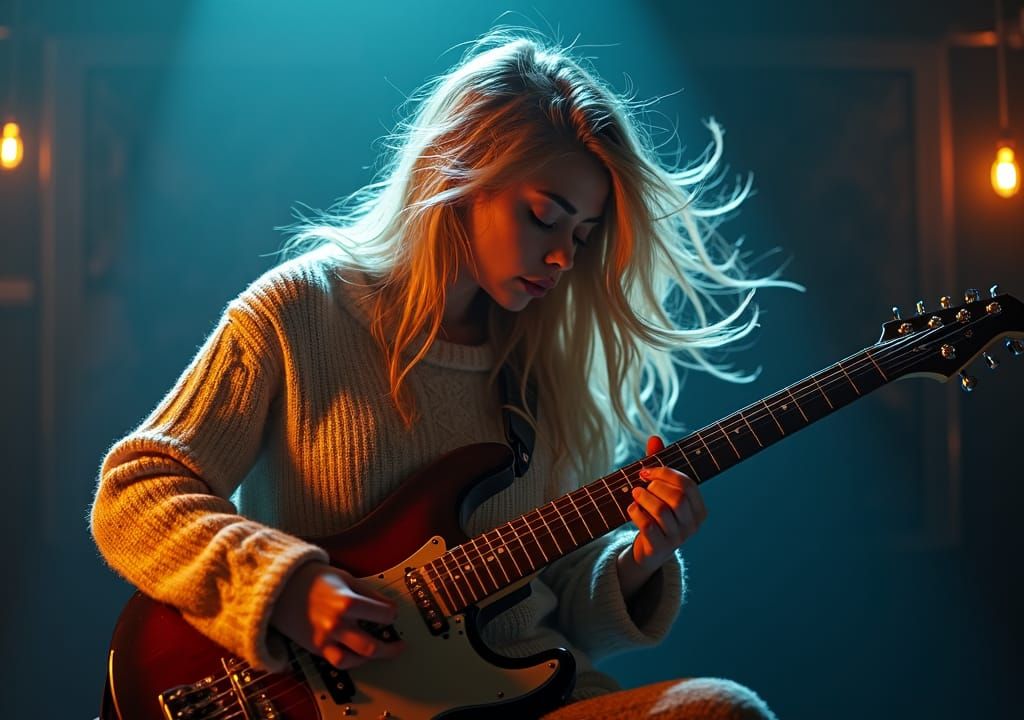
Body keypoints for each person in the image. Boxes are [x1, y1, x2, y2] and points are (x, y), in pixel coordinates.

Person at [92, 28, 790, 719]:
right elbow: (135, 491)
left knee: (719, 712)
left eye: (581, 238)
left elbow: (559, 611)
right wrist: (285, 588)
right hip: (334, 703)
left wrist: (637, 558)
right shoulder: (300, 311)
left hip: (524, 702)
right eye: (545, 217)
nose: (562, 259)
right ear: (461, 167)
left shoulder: (541, 366)